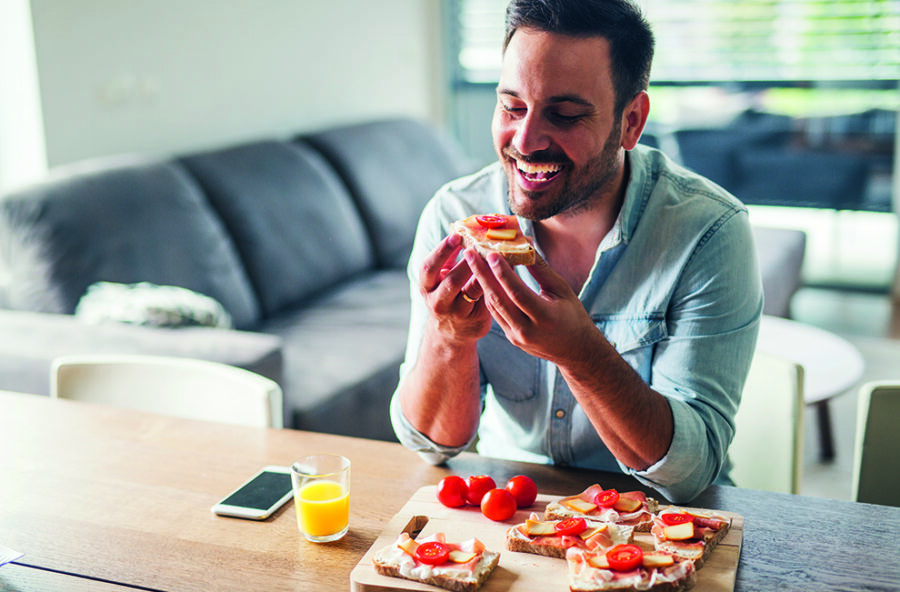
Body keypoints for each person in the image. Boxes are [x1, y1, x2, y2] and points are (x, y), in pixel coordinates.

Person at [390, 0, 762, 503]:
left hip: (658, 523)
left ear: (631, 121)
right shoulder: (454, 215)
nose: (525, 141)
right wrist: (450, 340)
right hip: (513, 507)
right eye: (512, 106)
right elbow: (428, 444)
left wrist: (578, 351)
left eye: (563, 115)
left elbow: (690, 472)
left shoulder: (709, 232)